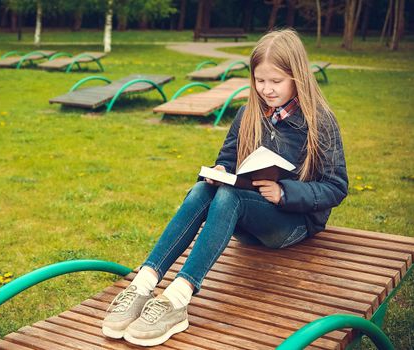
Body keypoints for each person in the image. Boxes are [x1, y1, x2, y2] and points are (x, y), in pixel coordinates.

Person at [102, 28, 348, 347]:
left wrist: (285, 193)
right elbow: (228, 159)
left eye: (276, 81)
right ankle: (142, 285)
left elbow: (335, 187)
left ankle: (176, 300)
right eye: (260, 81)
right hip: (247, 218)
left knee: (230, 196)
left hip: (293, 223)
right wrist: (220, 170)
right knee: (204, 190)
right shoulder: (247, 114)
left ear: (297, 77)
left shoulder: (320, 121)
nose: (267, 89)